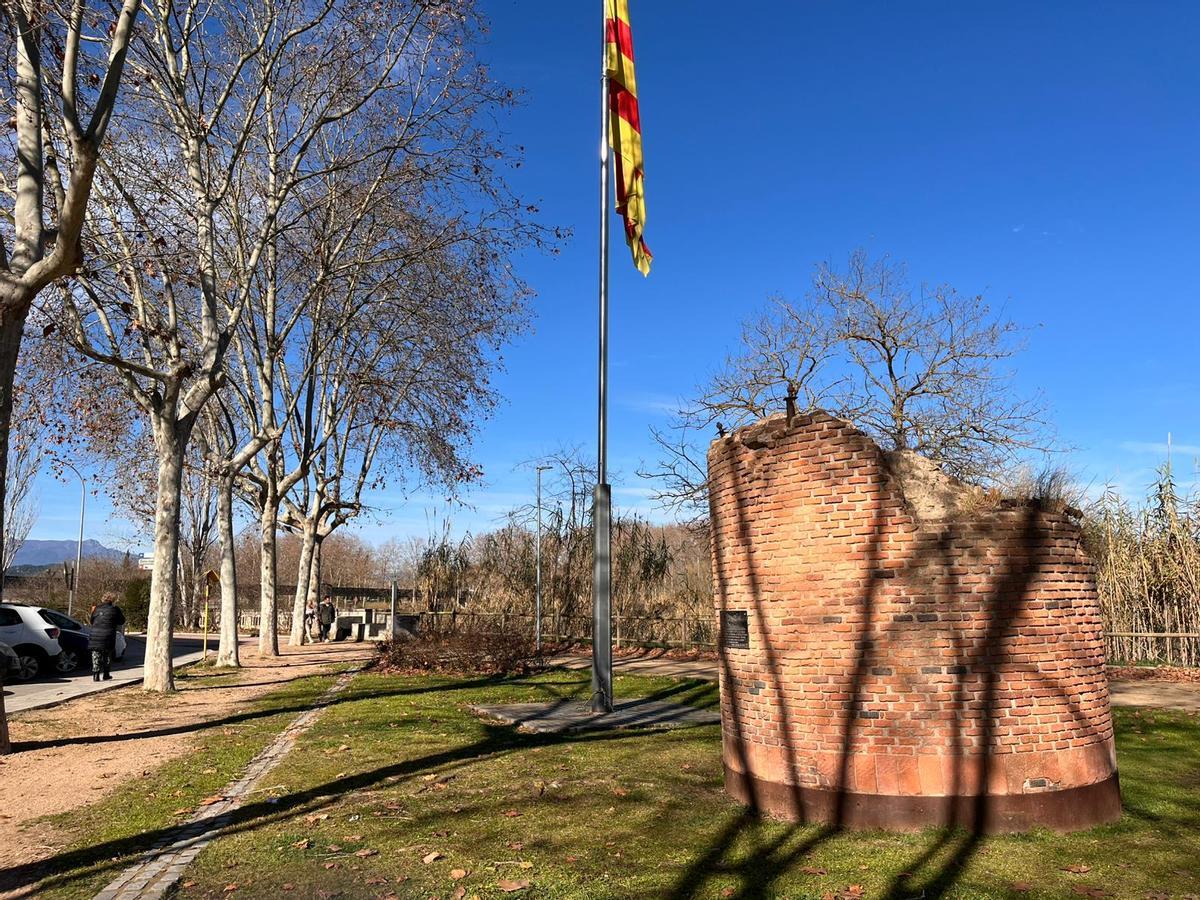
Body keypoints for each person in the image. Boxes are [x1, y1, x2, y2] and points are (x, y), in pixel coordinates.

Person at [89, 592, 126, 682]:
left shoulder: (96, 609)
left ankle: (96, 675)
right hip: (108, 634)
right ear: (112, 600)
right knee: (107, 654)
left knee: (96, 654)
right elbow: (121, 621)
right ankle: (106, 674)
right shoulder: (115, 609)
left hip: (95, 634)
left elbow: (91, 620)